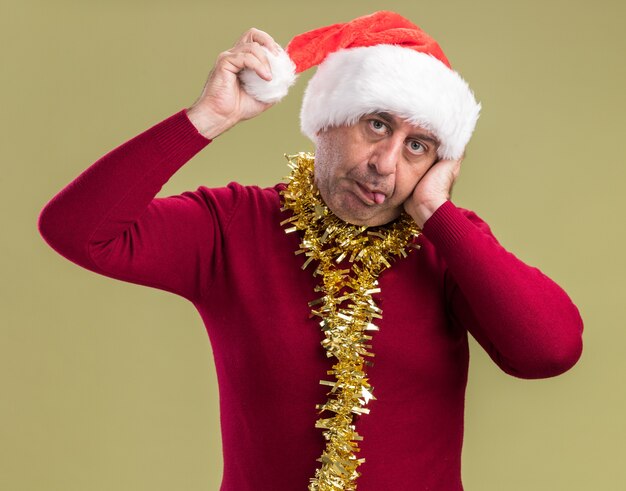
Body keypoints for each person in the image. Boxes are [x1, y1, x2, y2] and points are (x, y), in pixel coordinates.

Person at [37, 11, 583, 491]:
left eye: (418, 146)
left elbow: (549, 352)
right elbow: (78, 231)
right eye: (377, 124)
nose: (386, 163)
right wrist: (209, 119)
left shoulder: (446, 246)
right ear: (326, 121)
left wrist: (439, 214)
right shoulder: (233, 225)